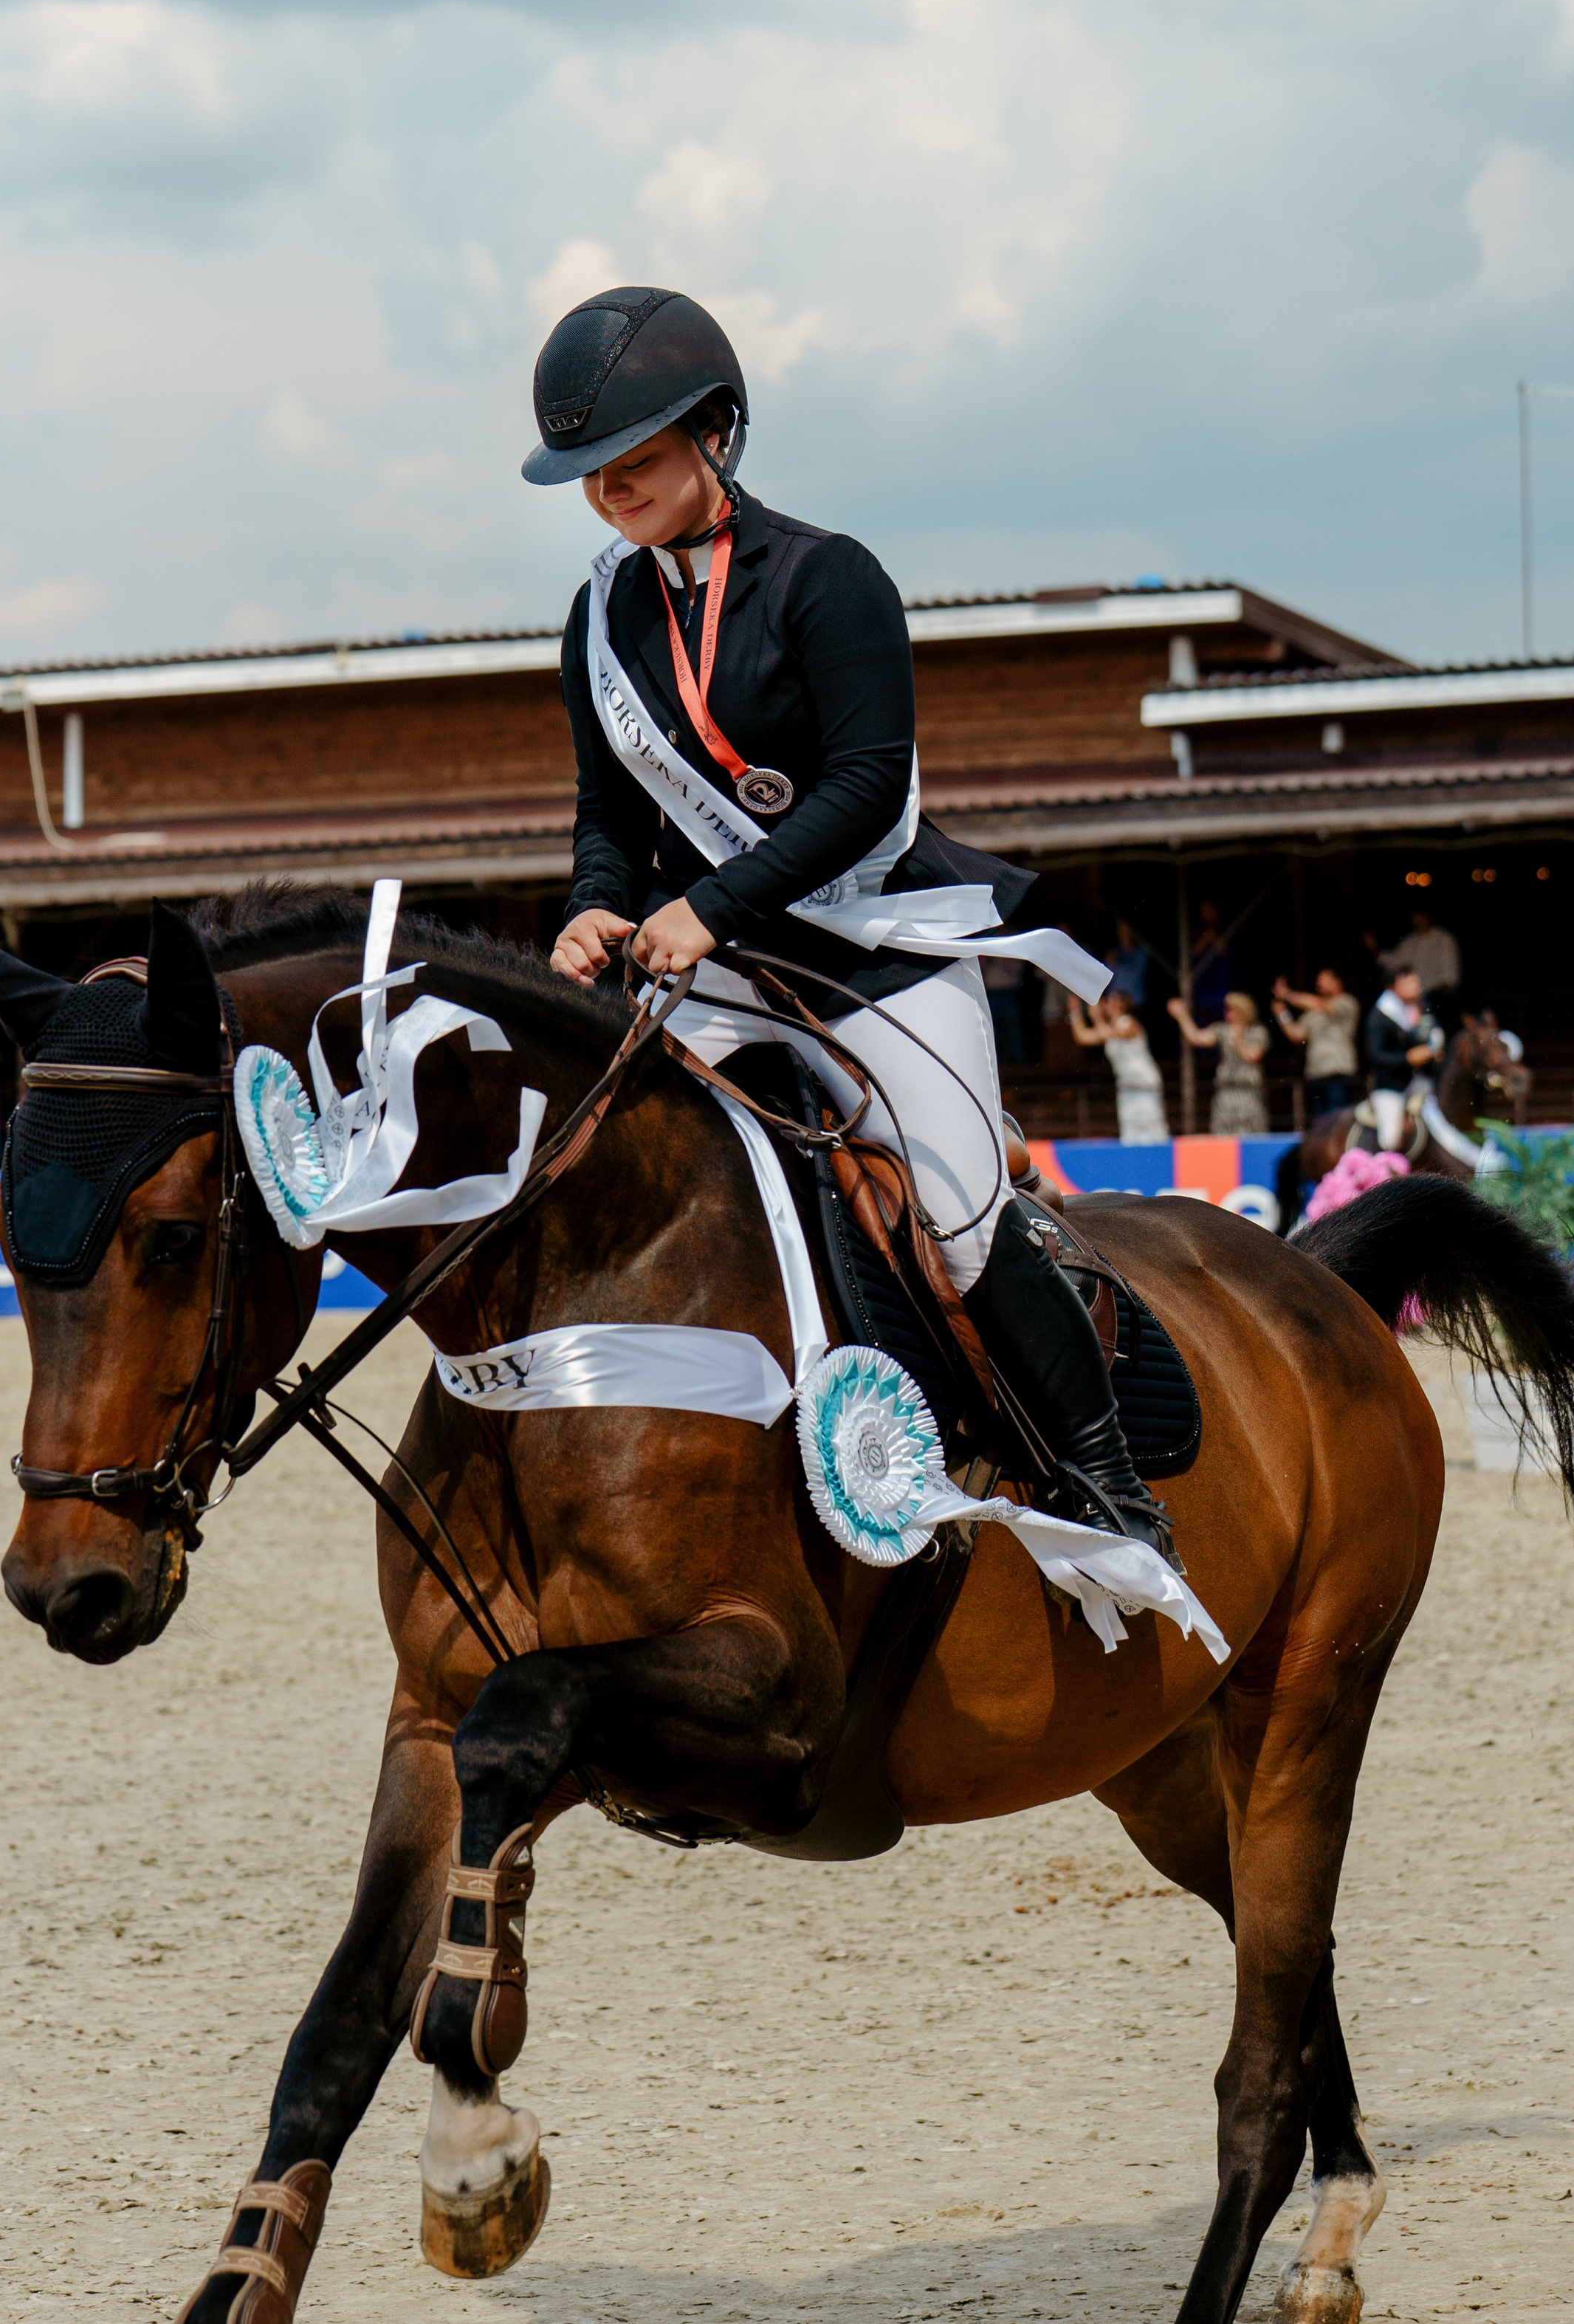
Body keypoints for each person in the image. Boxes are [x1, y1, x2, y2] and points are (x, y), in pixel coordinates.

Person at [529, 283, 1171, 1556]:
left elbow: (867, 788)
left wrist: (708, 904)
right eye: (590, 473)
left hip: (880, 950)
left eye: (633, 459)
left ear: (717, 431)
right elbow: (608, 812)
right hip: (713, 969)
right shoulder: (601, 617)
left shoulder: (830, 580)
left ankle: (1111, 1490)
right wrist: (595, 908)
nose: (609, 490)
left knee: (962, 1229)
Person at [1068, 989, 1169, 1145]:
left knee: (1151, 1125)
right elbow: (1083, 1037)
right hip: (1126, 1085)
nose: (1106, 1004)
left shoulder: (1129, 1023)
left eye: (1110, 1001)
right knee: (1130, 1130)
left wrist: (1097, 1018)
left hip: (1143, 1081)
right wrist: (1075, 1012)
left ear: (1121, 1006)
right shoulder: (1109, 1028)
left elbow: (1113, 1033)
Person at [1166, 989, 1269, 1134]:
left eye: (1231, 1009)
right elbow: (1197, 1038)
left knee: (1250, 1134)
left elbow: (1252, 1056)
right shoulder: (1222, 1030)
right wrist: (1182, 1015)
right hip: (1225, 1094)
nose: (1227, 1013)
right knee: (1223, 1135)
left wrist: (1238, 1040)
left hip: (1248, 1093)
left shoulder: (1258, 1031)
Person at [1363, 966, 1441, 1149]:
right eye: (1406, 983)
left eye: (1415, 982)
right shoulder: (1380, 1015)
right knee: (1390, 1138)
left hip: (1420, 1082)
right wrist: (1408, 1058)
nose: (1414, 987)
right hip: (1390, 1087)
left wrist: (1435, 1050)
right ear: (1392, 987)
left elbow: (1435, 1035)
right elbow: (1375, 1055)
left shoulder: (1423, 1008)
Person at [1272, 966, 1359, 1115]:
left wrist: (1288, 994)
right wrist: (1282, 1015)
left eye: (1324, 980)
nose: (1319, 984)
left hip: (1338, 1072)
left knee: (1338, 1118)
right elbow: (1297, 1035)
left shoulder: (1347, 1002)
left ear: (1337, 982)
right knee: (1320, 1123)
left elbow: (1324, 1006)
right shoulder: (1312, 1012)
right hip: (1315, 1073)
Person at [1373, 908, 1460, 1020]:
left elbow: (1450, 977)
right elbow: (1395, 962)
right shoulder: (1410, 941)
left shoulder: (1444, 940)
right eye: (1415, 918)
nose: (1417, 921)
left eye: (1420, 917)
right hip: (1413, 1000)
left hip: (1439, 999)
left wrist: (1435, 994)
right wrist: (1375, 950)